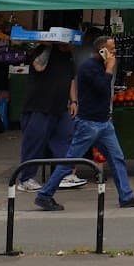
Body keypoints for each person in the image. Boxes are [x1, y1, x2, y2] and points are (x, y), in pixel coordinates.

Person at [34, 37, 134, 211]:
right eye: (112, 49)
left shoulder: (100, 66)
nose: (115, 52)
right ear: (102, 51)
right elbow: (102, 87)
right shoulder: (89, 67)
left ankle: (126, 195)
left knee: (117, 158)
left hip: (103, 123)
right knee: (69, 161)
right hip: (89, 124)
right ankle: (44, 195)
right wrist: (110, 69)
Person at [18, 40, 86, 192]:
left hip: (60, 106)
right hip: (39, 106)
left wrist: (73, 101)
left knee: (66, 138)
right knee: (34, 141)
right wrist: (48, 46)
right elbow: (38, 66)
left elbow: (71, 80)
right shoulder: (43, 51)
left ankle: (65, 175)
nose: (73, 46)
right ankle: (26, 178)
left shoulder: (68, 56)